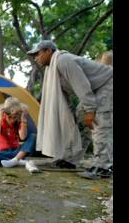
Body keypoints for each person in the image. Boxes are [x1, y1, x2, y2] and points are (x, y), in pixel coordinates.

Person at [27, 40, 113, 179]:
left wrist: (91, 110)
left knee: (99, 122)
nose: (36, 58)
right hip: (93, 89)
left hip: (107, 84)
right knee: (79, 122)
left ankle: (104, 166)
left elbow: (82, 85)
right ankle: (70, 159)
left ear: (48, 51)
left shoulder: (63, 60)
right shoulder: (52, 69)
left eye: (37, 54)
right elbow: (63, 96)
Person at [0, 97, 37, 169]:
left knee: (33, 136)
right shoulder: (0, 122)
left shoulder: (19, 122)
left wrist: (23, 120)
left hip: (16, 153)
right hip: (2, 153)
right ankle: (17, 161)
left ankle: (15, 160)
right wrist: (1, 118)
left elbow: (22, 137)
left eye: (15, 117)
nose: (12, 120)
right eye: (9, 117)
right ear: (5, 114)